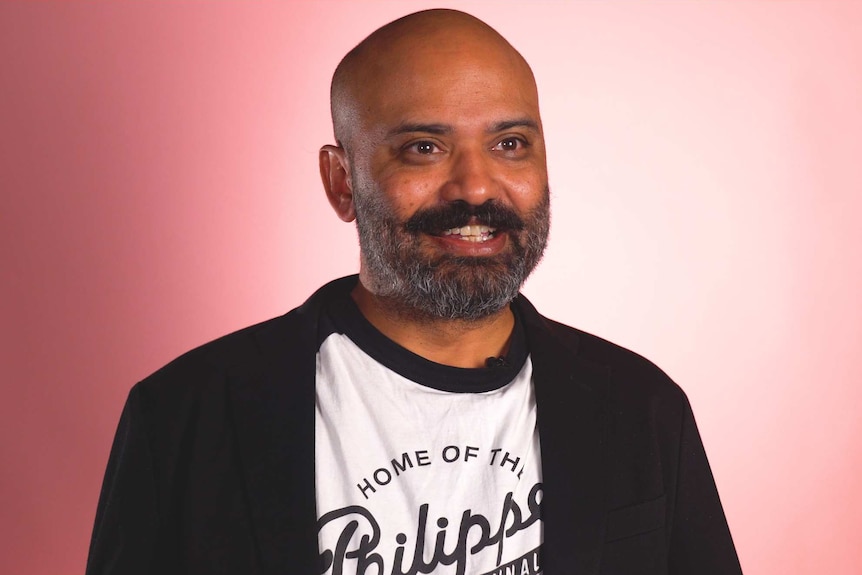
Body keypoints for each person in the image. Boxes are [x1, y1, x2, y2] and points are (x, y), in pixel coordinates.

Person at [86, 9, 741, 575]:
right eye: (424, 148)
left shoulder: (643, 410)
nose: (476, 187)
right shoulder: (183, 419)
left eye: (510, 143)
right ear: (342, 181)